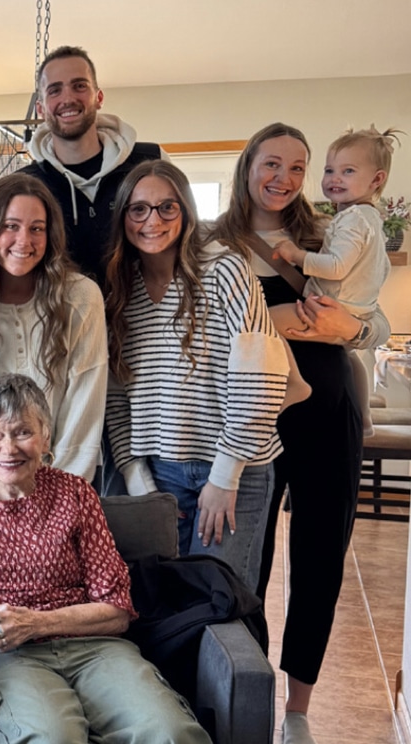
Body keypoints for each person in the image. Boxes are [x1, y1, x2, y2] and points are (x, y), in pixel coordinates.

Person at [0, 374, 210, 744]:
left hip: (94, 648)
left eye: (23, 432)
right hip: (5, 656)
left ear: (45, 438)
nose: (8, 448)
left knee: (170, 732)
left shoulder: (74, 493)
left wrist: (35, 622)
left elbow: (117, 610)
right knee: (51, 737)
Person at [210, 123, 390, 744]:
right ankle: (245, 694)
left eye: (297, 167)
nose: (283, 178)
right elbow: (211, 327)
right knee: (244, 562)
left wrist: (352, 330)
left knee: (320, 559)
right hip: (253, 418)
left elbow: (375, 321)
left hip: (330, 411)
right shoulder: (215, 243)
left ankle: (297, 712)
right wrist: (281, 318)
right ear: (247, 165)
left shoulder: (331, 236)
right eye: (271, 163)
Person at [104, 160, 287, 591]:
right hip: (159, 473)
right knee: (168, 604)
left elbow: (261, 376)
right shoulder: (119, 289)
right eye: (139, 209)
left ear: (186, 210)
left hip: (236, 467)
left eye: (167, 207)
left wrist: (224, 477)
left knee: (221, 602)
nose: (152, 221)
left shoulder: (225, 270)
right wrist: (138, 479)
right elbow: (115, 398)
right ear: (124, 217)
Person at [0, 173, 106, 482]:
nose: (24, 241)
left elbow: (84, 405)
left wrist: (62, 492)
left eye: (36, 228)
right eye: (10, 226)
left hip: (66, 483)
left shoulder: (82, 298)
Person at [270, 126, 399, 435]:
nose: (335, 178)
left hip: (328, 313)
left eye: (348, 171)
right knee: (353, 358)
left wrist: (297, 255)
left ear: (376, 180)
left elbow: (338, 268)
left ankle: (296, 383)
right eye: (330, 170)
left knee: (261, 322)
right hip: (350, 311)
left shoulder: (348, 221)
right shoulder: (368, 220)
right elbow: (378, 271)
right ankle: (365, 416)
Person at [18, 45, 163, 286]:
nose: (68, 99)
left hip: (148, 309)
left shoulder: (153, 161)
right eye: (54, 90)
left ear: (99, 98)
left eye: (79, 86)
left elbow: (187, 237)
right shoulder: (24, 184)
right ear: (41, 109)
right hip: (62, 310)